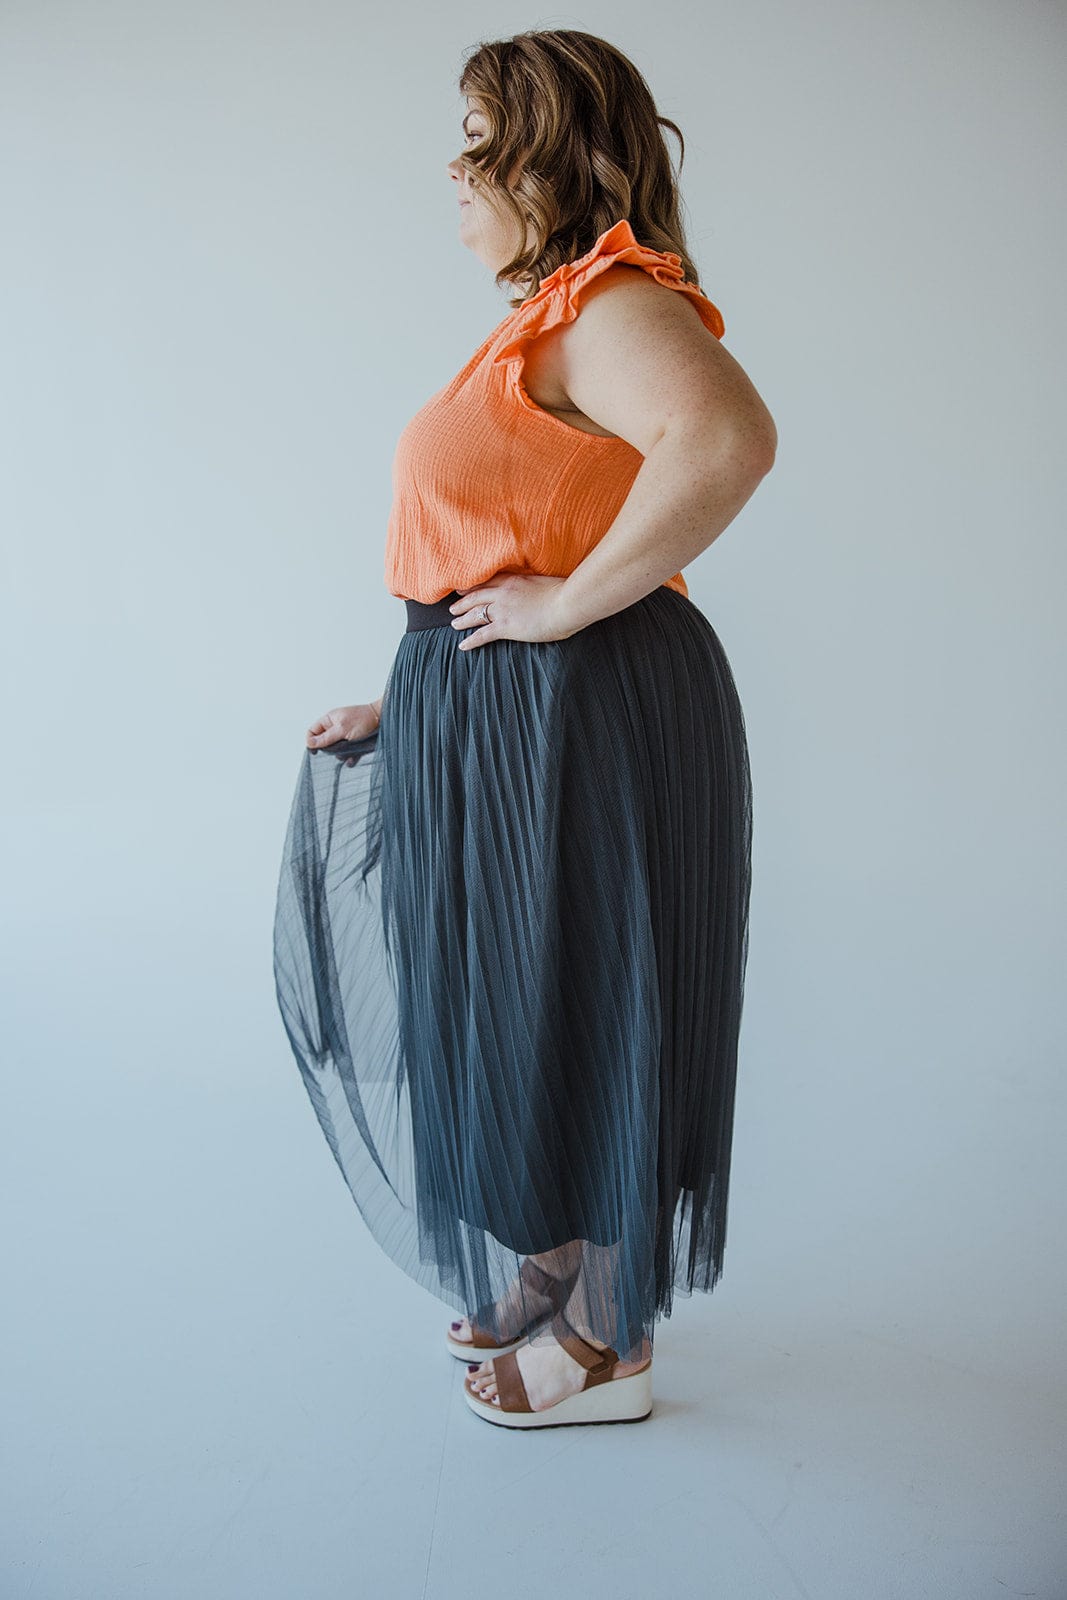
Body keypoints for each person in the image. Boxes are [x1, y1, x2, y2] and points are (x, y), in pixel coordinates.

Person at [273, 28, 776, 1431]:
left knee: (590, 989)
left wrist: (558, 619)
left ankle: (610, 1348)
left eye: (478, 135)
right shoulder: (542, 317)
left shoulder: (612, 301)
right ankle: (555, 1259)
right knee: (515, 993)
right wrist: (421, 696)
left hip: (587, 712)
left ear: (547, 155)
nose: (455, 163)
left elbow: (727, 441)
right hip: (509, 718)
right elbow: (510, 532)